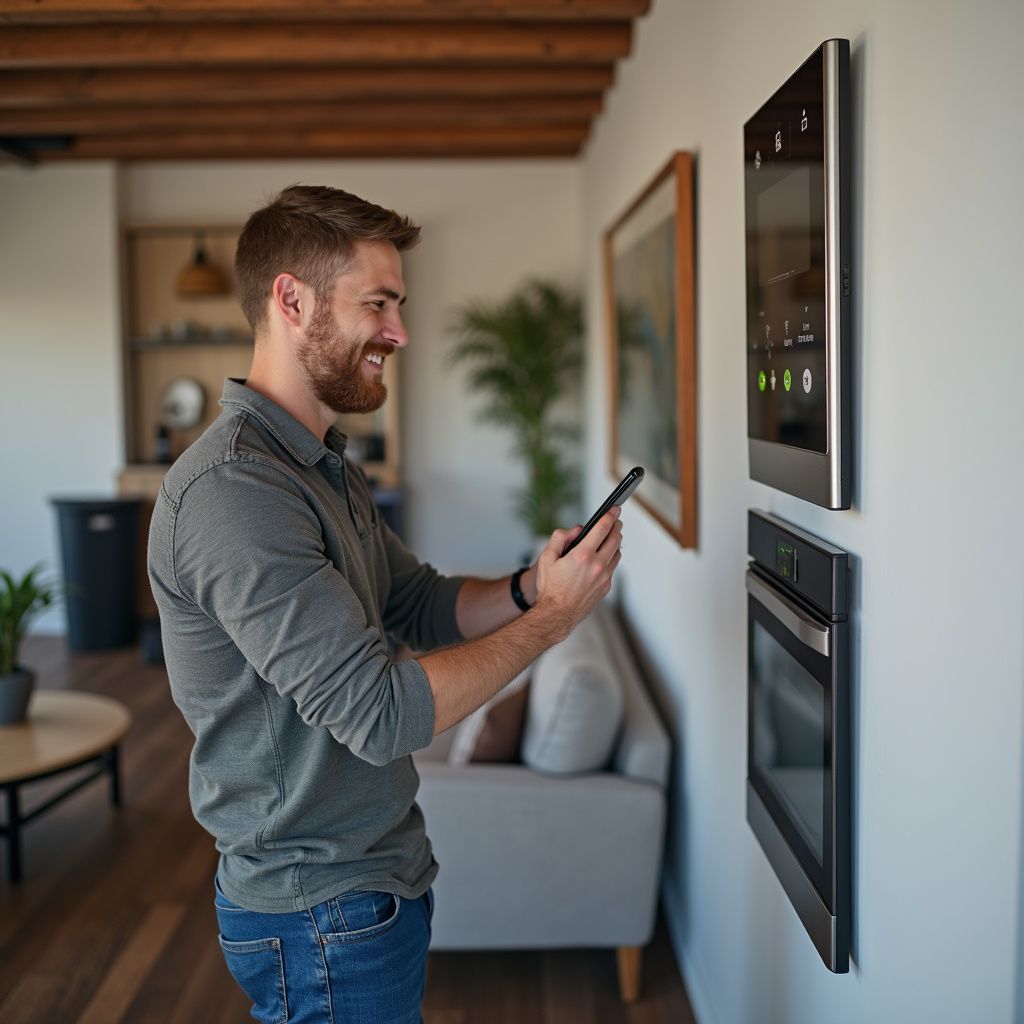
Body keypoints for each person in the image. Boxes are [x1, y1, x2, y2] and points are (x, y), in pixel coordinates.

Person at [147, 184, 623, 1024]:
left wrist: (528, 585)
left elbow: (418, 603)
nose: (399, 332)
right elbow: (379, 712)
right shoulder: (235, 493)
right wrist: (554, 619)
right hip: (319, 907)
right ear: (291, 299)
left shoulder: (319, 463)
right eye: (378, 303)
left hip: (373, 881)